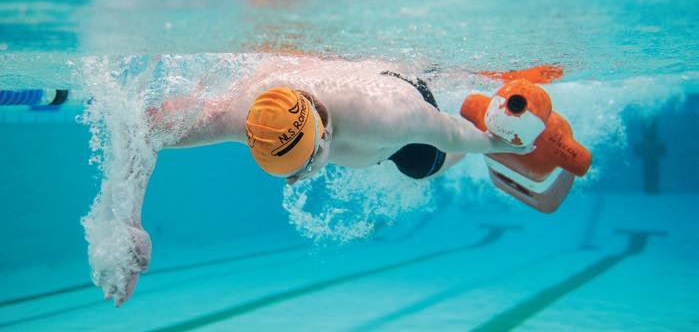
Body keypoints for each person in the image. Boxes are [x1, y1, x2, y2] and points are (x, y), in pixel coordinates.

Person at [102, 55, 534, 306]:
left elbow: (452, 134)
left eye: (302, 167)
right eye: (285, 172)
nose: (295, 181)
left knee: (426, 165)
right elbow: (140, 126)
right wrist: (128, 221)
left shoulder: (391, 115)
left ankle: (481, 111)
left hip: (402, 111)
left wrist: (498, 145)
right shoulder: (243, 115)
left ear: (323, 133)